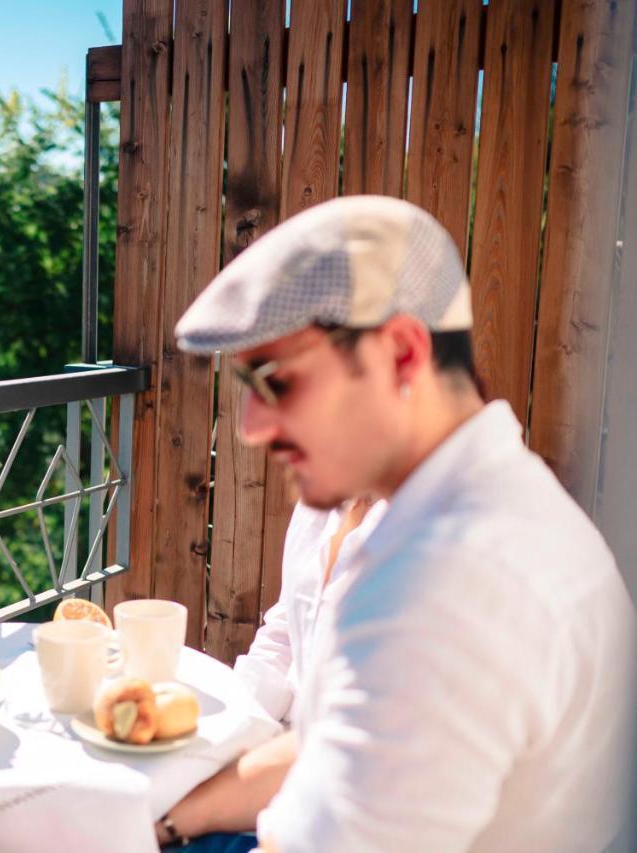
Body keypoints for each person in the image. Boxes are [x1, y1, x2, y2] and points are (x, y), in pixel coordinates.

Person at [161, 196, 636, 852]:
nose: (249, 427)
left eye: (277, 381)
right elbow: (334, 736)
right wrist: (159, 825)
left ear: (403, 354)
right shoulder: (467, 508)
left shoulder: (449, 583)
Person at [155, 497, 386, 851]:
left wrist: (172, 822)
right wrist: (227, 734)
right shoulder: (322, 496)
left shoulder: (436, 535)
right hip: (279, 768)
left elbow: (362, 740)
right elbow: (286, 631)